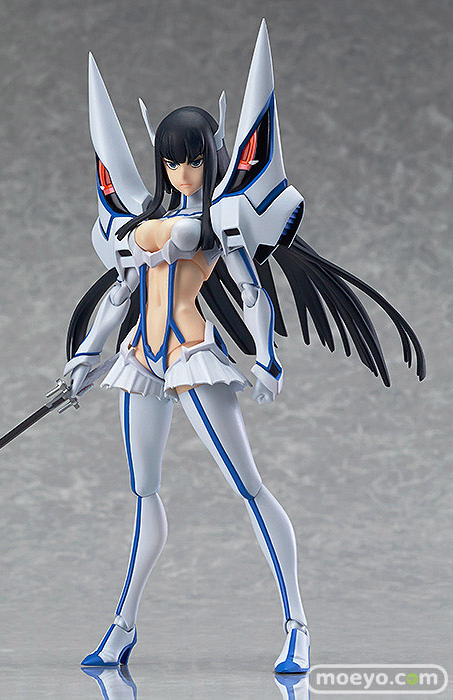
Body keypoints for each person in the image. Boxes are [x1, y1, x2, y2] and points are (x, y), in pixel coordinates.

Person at [64, 22, 425, 673]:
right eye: (172, 161)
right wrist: (87, 357)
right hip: (140, 362)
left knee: (248, 488)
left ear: (213, 156)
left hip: (193, 358)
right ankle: (123, 624)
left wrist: (265, 354)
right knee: (144, 494)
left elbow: (251, 291)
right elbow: (121, 293)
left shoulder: (220, 219)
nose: (183, 171)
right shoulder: (143, 220)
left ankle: (297, 623)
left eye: (194, 159)